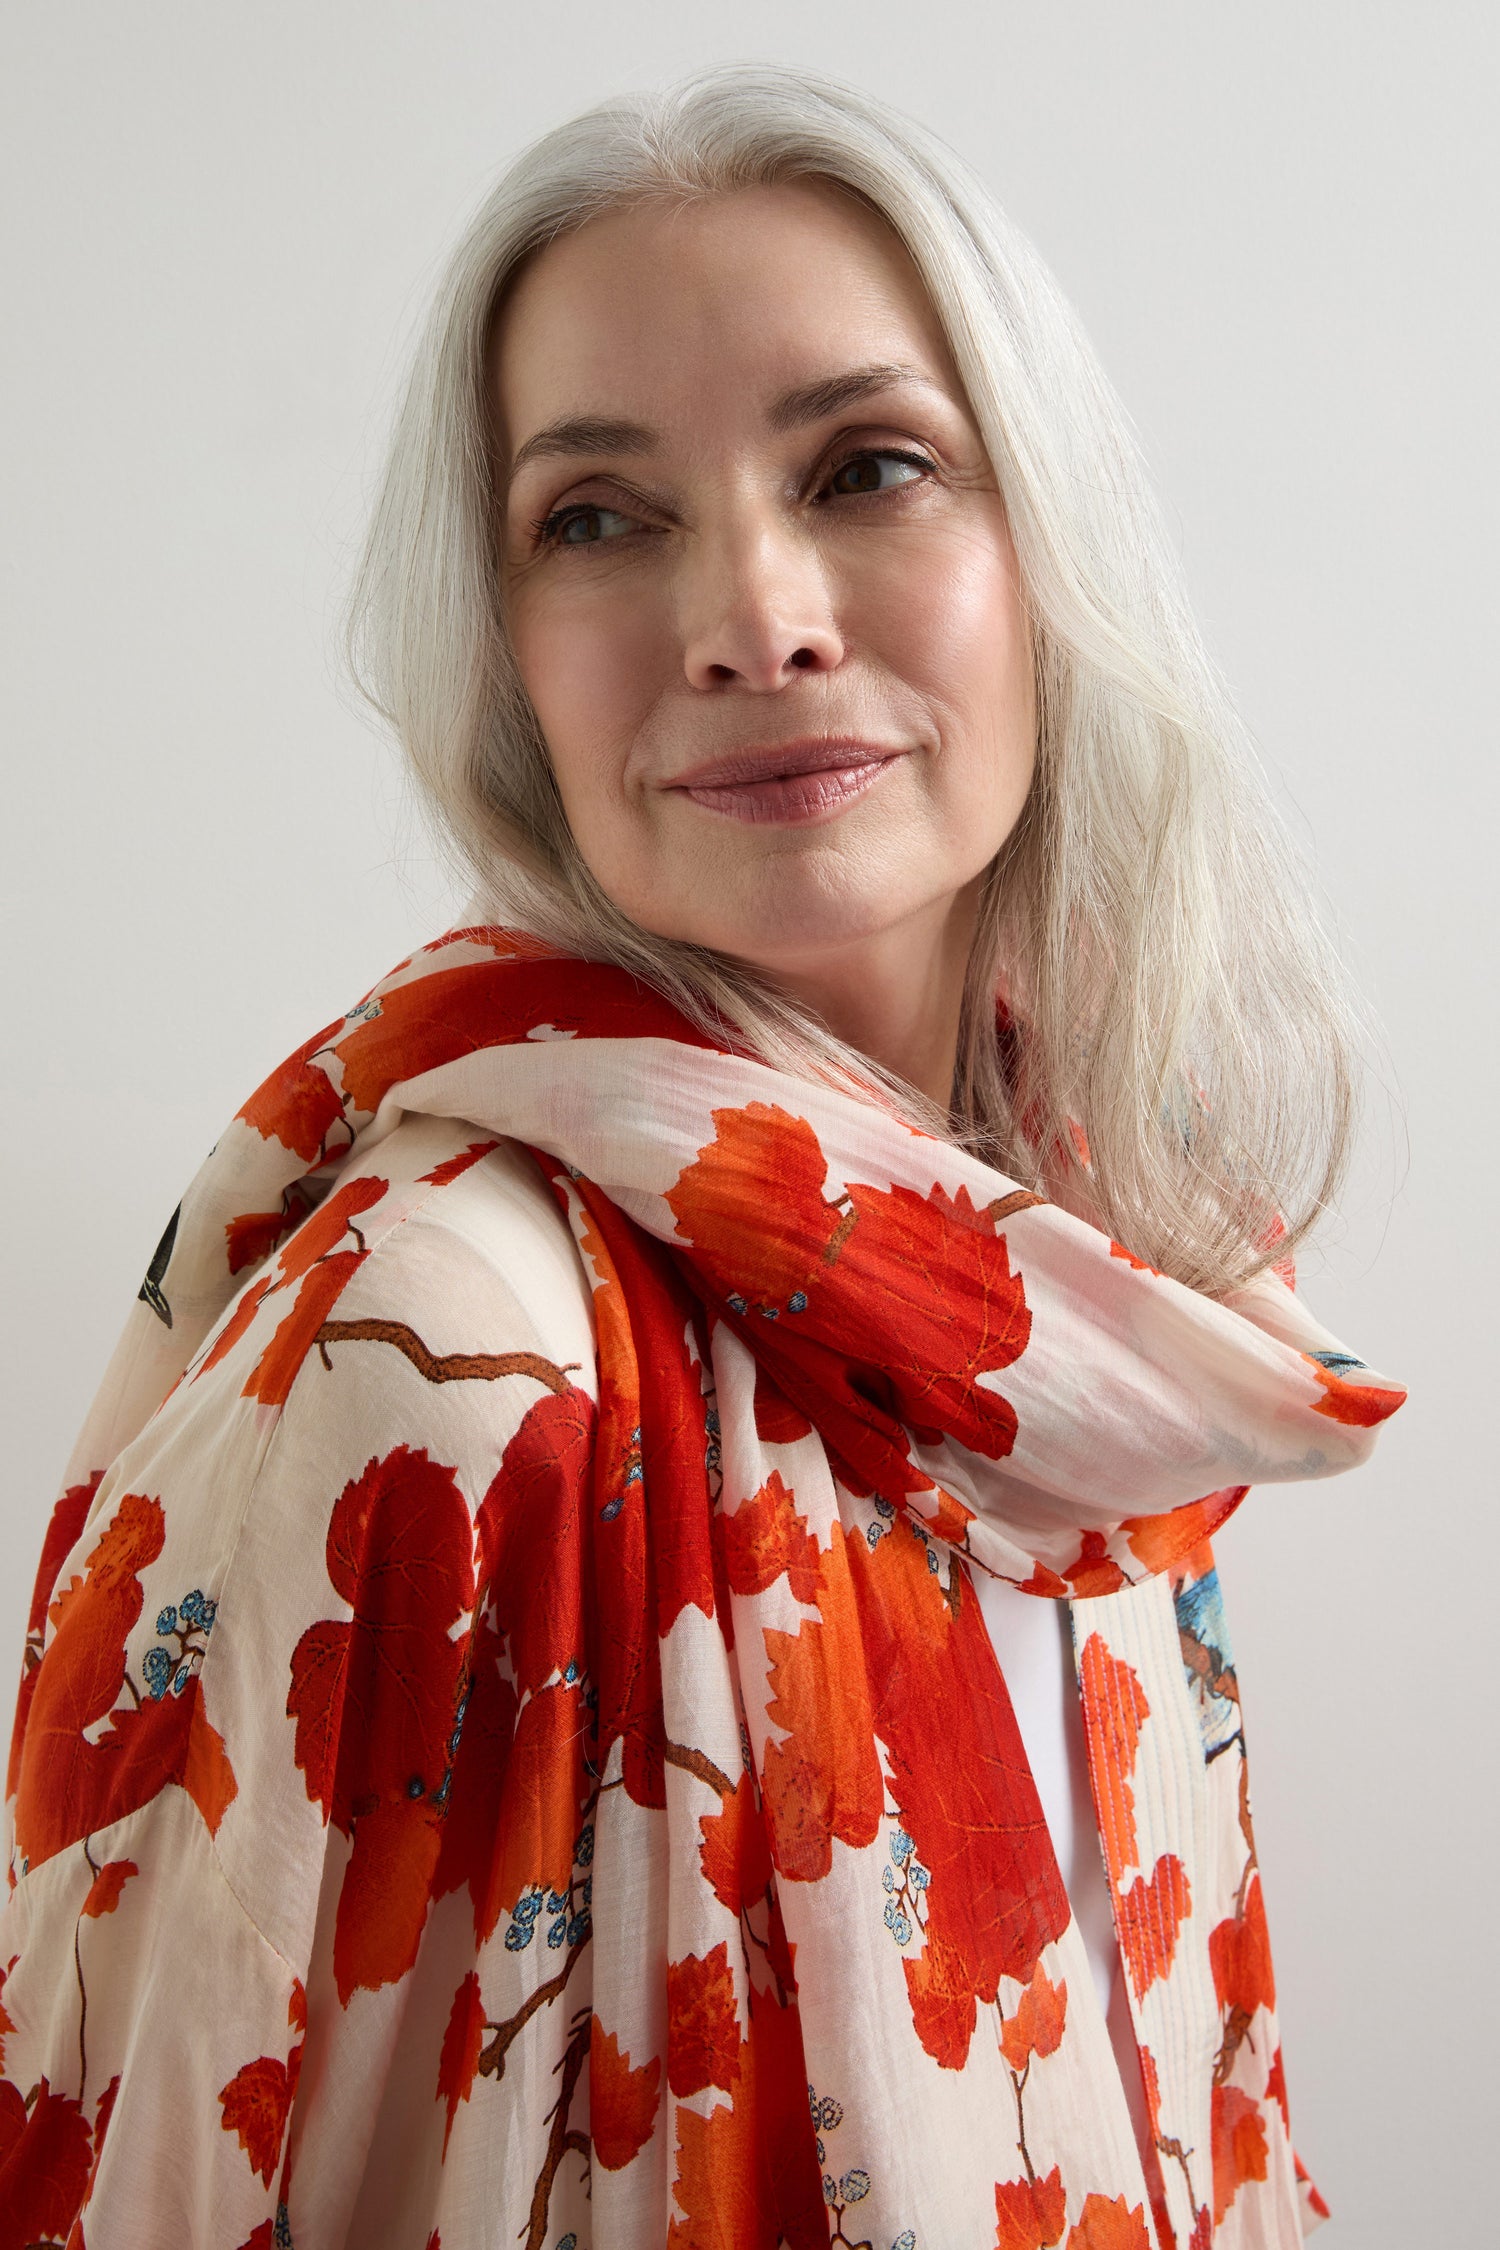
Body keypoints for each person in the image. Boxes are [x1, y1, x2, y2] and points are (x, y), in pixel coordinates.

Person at [0, 65, 1403, 2250]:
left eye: (870, 469)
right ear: (509, 662)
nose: (755, 616)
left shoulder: (1100, 1297)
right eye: (599, 515)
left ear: (1054, 548)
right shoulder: (442, 1353)